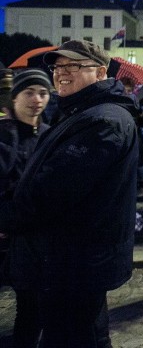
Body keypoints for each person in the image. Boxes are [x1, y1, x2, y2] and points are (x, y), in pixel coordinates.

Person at [0, 40, 139, 347]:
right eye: (58, 66)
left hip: (73, 266)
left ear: (100, 72)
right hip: (67, 263)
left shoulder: (102, 121)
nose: (61, 73)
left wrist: (7, 218)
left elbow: (51, 194)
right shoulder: (82, 112)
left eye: (73, 66)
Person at [0, 69, 51, 346]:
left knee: (30, 310)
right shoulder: (4, 133)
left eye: (42, 93)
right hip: (5, 235)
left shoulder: (49, 134)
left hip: (31, 240)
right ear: (15, 96)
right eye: (29, 92)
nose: (36, 99)